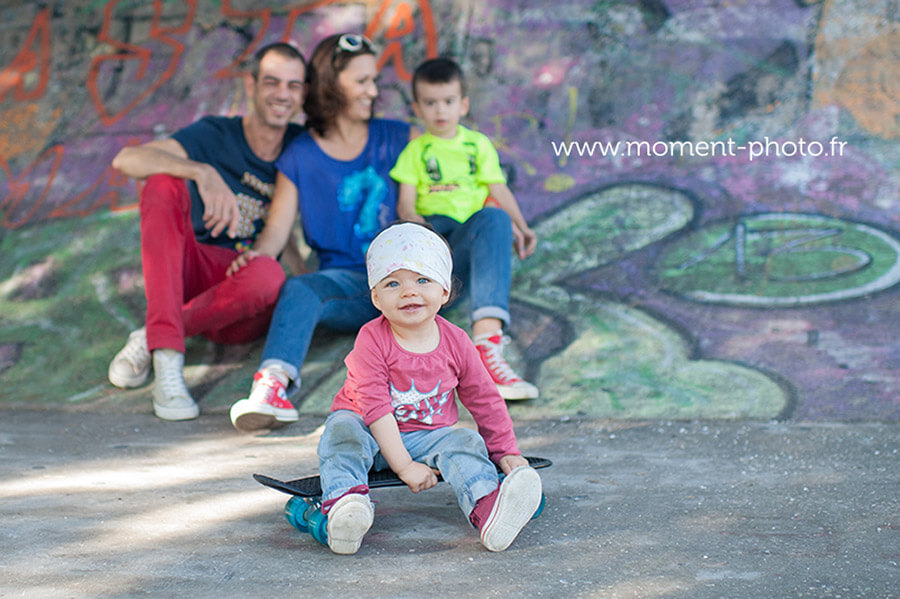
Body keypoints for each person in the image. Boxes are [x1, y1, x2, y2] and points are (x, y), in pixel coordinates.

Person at [313, 221, 543, 555]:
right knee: (341, 430)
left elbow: (484, 399)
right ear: (376, 297)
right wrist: (405, 467)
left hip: (427, 434)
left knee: (465, 440)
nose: (409, 291)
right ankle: (346, 505)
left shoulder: (457, 342)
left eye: (423, 279)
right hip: (369, 428)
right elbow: (375, 408)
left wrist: (505, 450)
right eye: (393, 283)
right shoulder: (371, 339)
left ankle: (488, 507)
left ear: (444, 290)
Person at [106, 42, 307, 421]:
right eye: (271, 82)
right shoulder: (217, 134)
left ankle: (152, 335)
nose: (282, 94)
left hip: (245, 296)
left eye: (293, 85)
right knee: (161, 183)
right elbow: (128, 159)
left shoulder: (301, 145)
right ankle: (168, 364)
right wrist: (202, 171)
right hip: (192, 273)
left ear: (304, 94)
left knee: (268, 272)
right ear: (250, 86)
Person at [227, 34, 411, 432]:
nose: (373, 91)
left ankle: (489, 348)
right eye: (362, 81)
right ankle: (272, 386)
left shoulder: (398, 137)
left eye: (373, 80)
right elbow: (276, 231)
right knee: (302, 287)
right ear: (332, 83)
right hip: (350, 284)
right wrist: (256, 259)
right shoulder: (301, 155)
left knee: (490, 223)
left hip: (410, 278)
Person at [389, 57, 539, 401]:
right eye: (430, 103)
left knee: (495, 217)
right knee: (427, 227)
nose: (440, 110)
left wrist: (522, 225)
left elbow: (498, 189)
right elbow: (406, 205)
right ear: (417, 108)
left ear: (463, 104)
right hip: (434, 238)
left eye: (448, 101)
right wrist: (416, 228)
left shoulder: (477, 145)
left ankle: (487, 343)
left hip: (469, 235)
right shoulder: (416, 151)